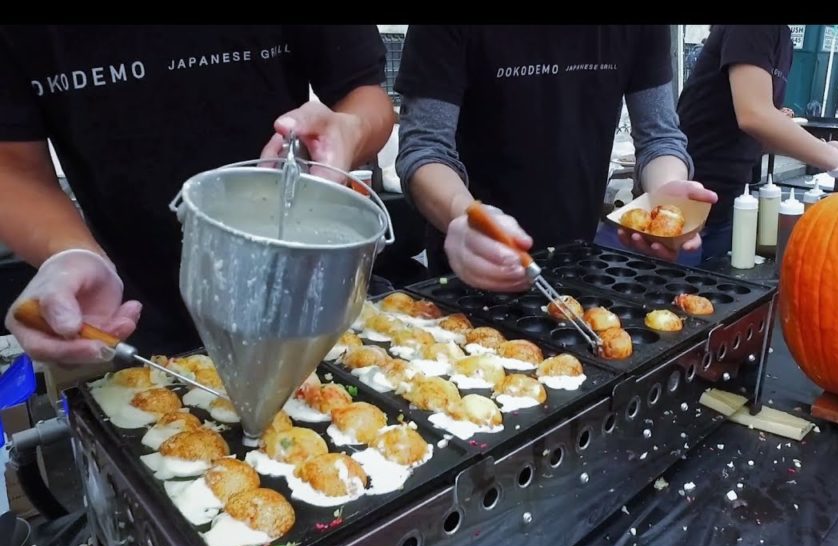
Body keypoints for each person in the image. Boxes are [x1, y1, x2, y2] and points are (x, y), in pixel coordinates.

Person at [0, 26, 396, 363]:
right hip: (130, 316)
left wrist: (348, 131)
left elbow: (366, 96)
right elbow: (13, 167)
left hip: (312, 299)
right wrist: (69, 252)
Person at [395, 25, 716, 293]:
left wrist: (667, 200)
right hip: (469, 267)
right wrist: (464, 215)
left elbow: (659, 136)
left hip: (578, 257)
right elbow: (425, 148)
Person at [658, 25, 838, 265]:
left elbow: (761, 131)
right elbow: (754, 115)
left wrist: (823, 148)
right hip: (687, 202)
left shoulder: (782, 36)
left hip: (726, 202)